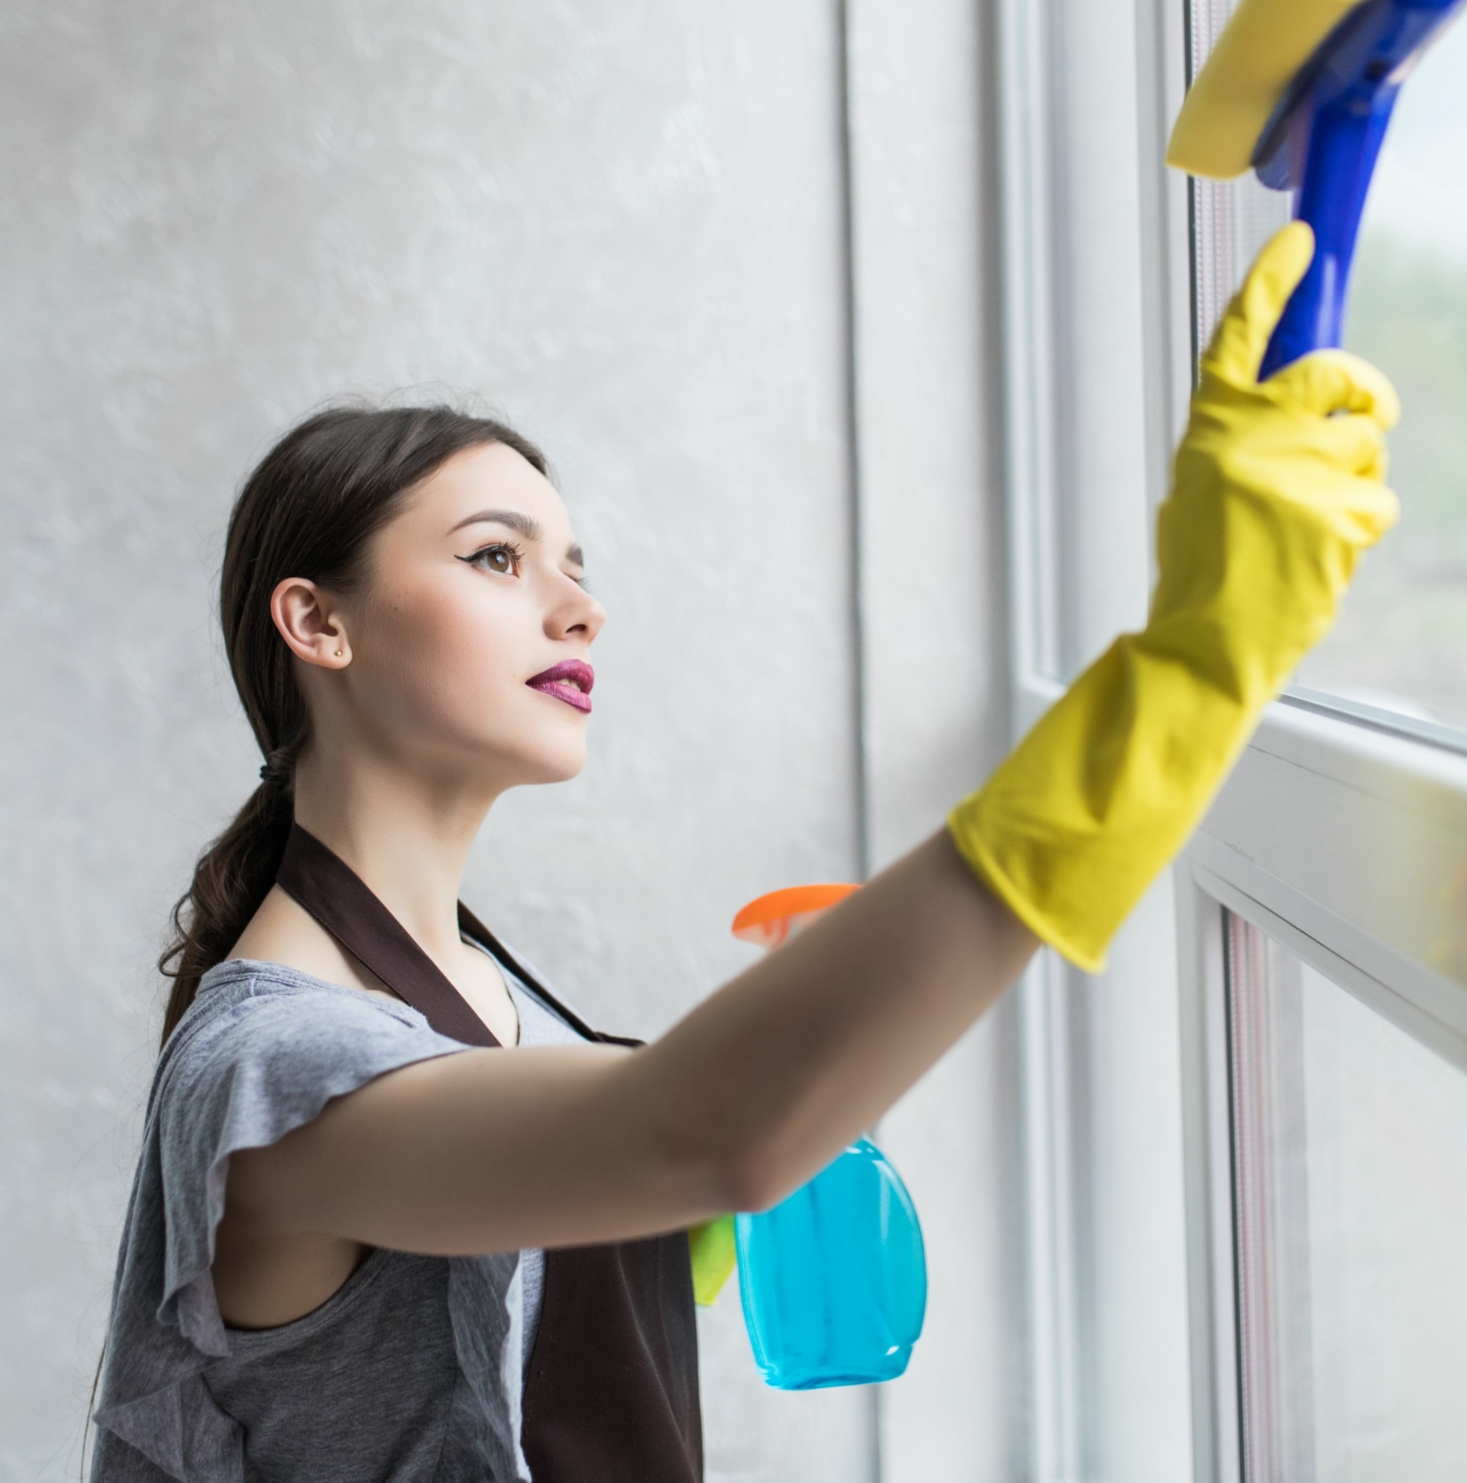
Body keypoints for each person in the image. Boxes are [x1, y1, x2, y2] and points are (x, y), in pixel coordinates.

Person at [89, 224, 1398, 1483]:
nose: (580, 606)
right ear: (319, 624)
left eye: (577, 566)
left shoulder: (482, 982)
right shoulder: (275, 1065)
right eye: (497, 557)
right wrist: (1192, 666)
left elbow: (571, 1228)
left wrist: (766, 1122)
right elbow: (693, 1131)